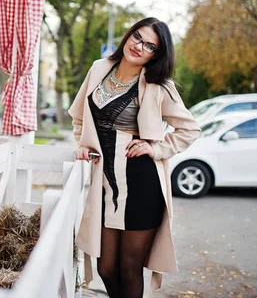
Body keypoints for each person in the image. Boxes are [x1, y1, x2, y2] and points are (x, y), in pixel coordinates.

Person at [68, 17, 201, 297]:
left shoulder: (158, 85)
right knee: (105, 267)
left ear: (157, 55)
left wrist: (157, 148)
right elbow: (80, 116)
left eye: (150, 46)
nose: (139, 46)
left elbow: (190, 128)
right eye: (137, 37)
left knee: (129, 268)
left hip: (142, 183)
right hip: (105, 180)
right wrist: (83, 143)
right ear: (129, 35)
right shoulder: (99, 69)